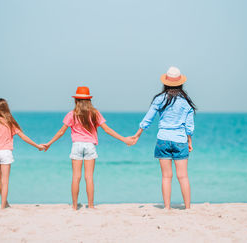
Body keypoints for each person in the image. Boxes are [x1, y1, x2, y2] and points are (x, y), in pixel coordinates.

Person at [43, 86, 134, 210]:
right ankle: (90, 205)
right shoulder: (95, 113)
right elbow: (107, 130)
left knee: (76, 177)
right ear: (89, 100)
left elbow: (61, 132)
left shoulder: (72, 114)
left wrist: (49, 143)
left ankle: (74, 206)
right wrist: (124, 139)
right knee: (89, 177)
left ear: (76, 100)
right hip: (90, 146)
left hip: (76, 145)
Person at [132, 67, 196, 209]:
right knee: (183, 176)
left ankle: (167, 207)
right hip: (180, 140)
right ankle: (187, 208)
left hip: (163, 139)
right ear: (181, 83)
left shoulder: (159, 99)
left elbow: (148, 119)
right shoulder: (186, 102)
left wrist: (137, 134)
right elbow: (189, 126)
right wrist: (189, 141)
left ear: (165, 83)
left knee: (166, 177)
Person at [0, 98, 45, 209]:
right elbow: (23, 136)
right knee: (5, 181)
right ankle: (3, 205)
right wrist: (37, 146)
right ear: (6, 108)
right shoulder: (10, 121)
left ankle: (5, 202)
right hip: (6, 153)